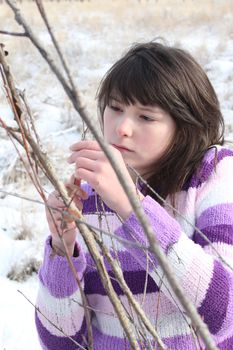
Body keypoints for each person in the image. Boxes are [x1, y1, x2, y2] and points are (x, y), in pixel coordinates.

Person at [35, 41, 233, 350]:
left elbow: (225, 310)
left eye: (146, 117)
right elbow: (61, 342)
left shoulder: (214, 174)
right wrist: (63, 248)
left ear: (185, 127)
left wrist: (131, 207)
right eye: (115, 108)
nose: (122, 128)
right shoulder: (88, 196)